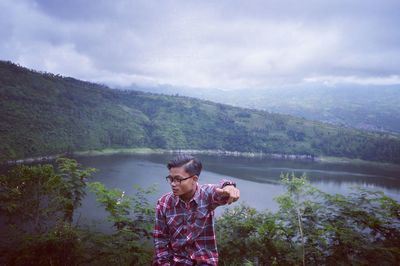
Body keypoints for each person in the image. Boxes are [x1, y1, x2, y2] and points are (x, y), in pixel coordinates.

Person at [153, 154, 240, 265]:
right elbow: (160, 240)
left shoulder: (206, 195)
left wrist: (229, 186)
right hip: (176, 261)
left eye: (178, 179)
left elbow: (220, 190)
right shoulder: (164, 203)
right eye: (171, 179)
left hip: (204, 261)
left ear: (194, 179)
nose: (173, 184)